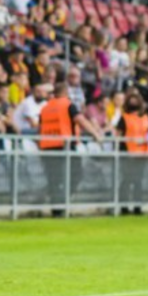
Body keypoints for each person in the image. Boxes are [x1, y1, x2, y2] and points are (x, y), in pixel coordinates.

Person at [38, 80, 104, 215]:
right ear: (66, 92)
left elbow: (40, 128)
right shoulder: (67, 105)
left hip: (47, 147)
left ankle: (56, 209)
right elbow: (80, 120)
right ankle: (62, 203)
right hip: (64, 146)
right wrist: (95, 134)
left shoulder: (45, 108)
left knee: (54, 180)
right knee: (76, 175)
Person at [115, 89, 148, 214]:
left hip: (141, 154)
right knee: (127, 180)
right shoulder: (124, 118)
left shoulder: (145, 118)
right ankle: (124, 207)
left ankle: (137, 207)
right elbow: (118, 135)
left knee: (138, 181)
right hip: (128, 154)